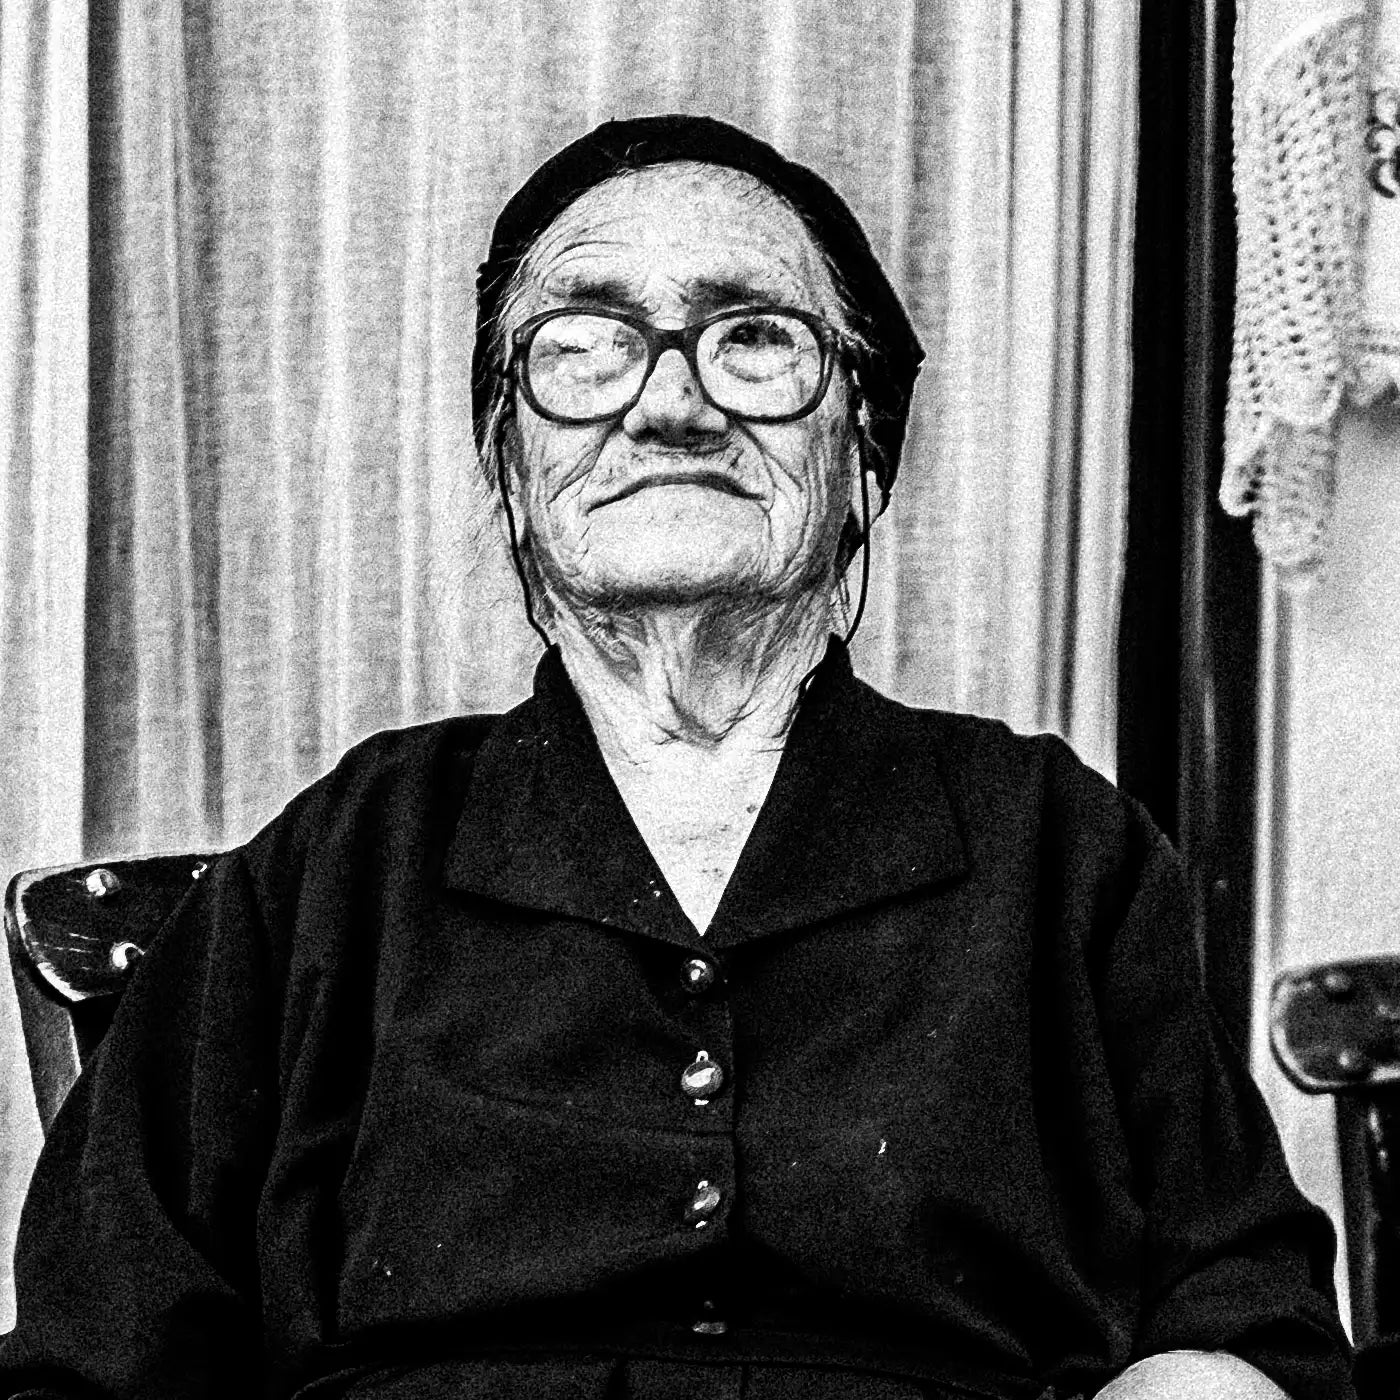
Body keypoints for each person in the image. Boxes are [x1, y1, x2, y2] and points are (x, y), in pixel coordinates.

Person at [0, 115, 1355, 1400]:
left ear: (866, 461)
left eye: (755, 340)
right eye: (585, 347)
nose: (671, 406)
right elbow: (105, 1345)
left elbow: (1243, 1330)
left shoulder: (1051, 846)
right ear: (510, 469)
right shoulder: (354, 855)